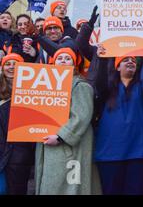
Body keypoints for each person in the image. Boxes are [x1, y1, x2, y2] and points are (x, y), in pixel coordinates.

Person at [93, 44, 143, 195]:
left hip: (138, 154)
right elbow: (100, 82)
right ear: (117, 67)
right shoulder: (107, 90)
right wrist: (102, 58)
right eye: (125, 60)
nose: (130, 62)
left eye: (133, 60)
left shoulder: (142, 88)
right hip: (110, 155)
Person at [34, 47, 101, 195]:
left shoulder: (80, 86)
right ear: (53, 62)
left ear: (74, 63)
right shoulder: (45, 86)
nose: (63, 61)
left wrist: (60, 137)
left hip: (71, 147)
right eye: (59, 58)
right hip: (48, 142)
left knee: (69, 187)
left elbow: (82, 116)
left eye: (67, 58)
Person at [0, 54, 34, 195]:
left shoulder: (33, 89)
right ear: (2, 67)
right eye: (8, 64)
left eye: (16, 64)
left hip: (20, 153)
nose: (12, 67)